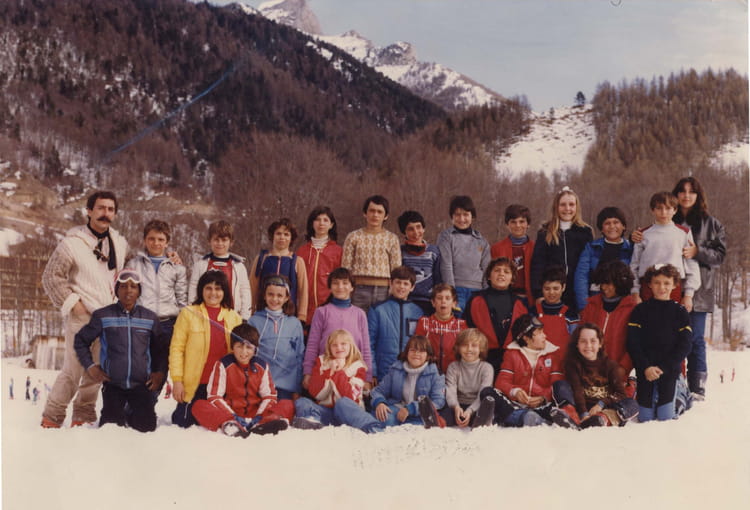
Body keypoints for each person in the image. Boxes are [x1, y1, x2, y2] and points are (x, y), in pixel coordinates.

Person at [41, 190, 128, 428]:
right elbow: (51, 277)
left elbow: (125, 274)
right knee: (73, 370)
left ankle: (83, 415)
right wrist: (74, 305)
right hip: (82, 317)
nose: (105, 213)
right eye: (100, 208)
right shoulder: (72, 243)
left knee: (95, 372)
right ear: (89, 211)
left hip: (107, 318)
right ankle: (52, 416)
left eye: (110, 209)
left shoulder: (119, 244)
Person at [73, 269, 167, 432]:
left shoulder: (150, 318)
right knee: (110, 430)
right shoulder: (103, 315)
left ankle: (132, 412)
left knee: (146, 429)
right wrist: (91, 367)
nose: (128, 290)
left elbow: (161, 349)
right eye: (123, 286)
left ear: (139, 291)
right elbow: (80, 341)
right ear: (116, 290)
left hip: (141, 385)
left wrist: (159, 372)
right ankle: (119, 412)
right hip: (113, 385)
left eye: (133, 286)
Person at [671, 176, 726, 399]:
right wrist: (635, 236)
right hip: (669, 288)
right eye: (682, 191)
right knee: (670, 338)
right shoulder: (667, 217)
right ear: (676, 194)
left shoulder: (712, 224)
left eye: (691, 191)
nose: (686, 196)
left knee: (694, 339)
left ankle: (697, 387)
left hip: (699, 291)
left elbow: (720, 255)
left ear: (698, 195)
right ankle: (673, 383)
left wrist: (697, 252)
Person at [476, 315, 579, 429]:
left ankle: (568, 418)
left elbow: (556, 384)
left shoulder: (552, 355)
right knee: (487, 392)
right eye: (539, 333)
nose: (545, 336)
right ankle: (527, 417)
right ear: (526, 337)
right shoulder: (512, 354)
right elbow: (501, 382)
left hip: (544, 406)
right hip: (515, 405)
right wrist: (516, 392)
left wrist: (543, 397)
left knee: (562, 386)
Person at [191, 324, 294, 437]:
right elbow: (214, 396)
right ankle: (230, 425)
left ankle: (262, 425)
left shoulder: (262, 366)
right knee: (198, 405)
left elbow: (269, 396)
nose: (244, 352)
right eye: (239, 346)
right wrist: (232, 416)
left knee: (287, 404)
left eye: (249, 347)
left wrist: (259, 416)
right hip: (231, 413)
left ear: (255, 349)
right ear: (233, 347)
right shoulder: (223, 364)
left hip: (257, 414)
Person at [170, 270, 243, 427]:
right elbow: (177, 349)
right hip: (195, 384)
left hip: (221, 386)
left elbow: (240, 354)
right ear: (201, 290)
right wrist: (177, 381)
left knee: (214, 419)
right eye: (208, 288)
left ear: (225, 291)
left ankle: (227, 422)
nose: (213, 293)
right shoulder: (188, 313)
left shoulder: (234, 317)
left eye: (218, 289)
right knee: (184, 422)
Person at [127, 219, 187, 396]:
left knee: (160, 369)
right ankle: (133, 404)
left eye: (161, 239)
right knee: (138, 367)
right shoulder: (134, 264)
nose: (156, 243)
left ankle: (149, 403)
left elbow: (182, 299)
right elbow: (127, 294)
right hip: (141, 323)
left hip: (166, 325)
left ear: (167, 242)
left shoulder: (176, 267)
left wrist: (182, 324)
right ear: (145, 240)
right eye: (151, 239)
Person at [627, 264, 692, 422]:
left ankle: (681, 393)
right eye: (657, 282)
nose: (661, 287)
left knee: (665, 417)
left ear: (674, 285)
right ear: (649, 284)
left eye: (666, 283)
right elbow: (633, 343)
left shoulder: (680, 311)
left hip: (668, 370)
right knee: (645, 418)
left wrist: (664, 367)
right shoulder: (640, 310)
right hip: (645, 371)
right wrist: (645, 367)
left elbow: (685, 345)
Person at [293, 330, 384, 433]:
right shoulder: (322, 362)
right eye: (334, 345)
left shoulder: (358, 367)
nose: (339, 348)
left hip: (349, 414)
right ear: (329, 347)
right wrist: (330, 372)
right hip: (327, 414)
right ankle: (312, 421)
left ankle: (372, 428)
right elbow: (315, 393)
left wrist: (339, 372)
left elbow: (351, 397)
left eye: (343, 344)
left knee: (342, 403)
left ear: (350, 346)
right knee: (302, 401)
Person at [555, 323, 638, 427]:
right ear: (577, 344)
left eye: (593, 341)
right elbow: (577, 391)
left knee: (631, 404)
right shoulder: (572, 365)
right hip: (581, 407)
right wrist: (584, 414)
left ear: (600, 344)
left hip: (603, 409)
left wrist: (601, 404)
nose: (588, 345)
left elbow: (620, 394)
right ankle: (572, 418)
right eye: (583, 341)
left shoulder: (610, 365)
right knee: (560, 385)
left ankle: (602, 419)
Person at [302, 268, 372, 390]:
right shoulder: (321, 312)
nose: (340, 287)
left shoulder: (360, 314)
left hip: (353, 373)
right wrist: (307, 372)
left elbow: (365, 348)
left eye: (345, 283)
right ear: (330, 287)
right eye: (335, 283)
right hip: (326, 371)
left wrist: (368, 377)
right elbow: (312, 345)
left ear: (352, 287)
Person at [629, 191, 700, 310]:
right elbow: (634, 265)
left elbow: (691, 264)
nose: (663, 212)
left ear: (675, 210)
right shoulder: (643, 234)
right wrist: (635, 293)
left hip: (673, 287)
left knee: (672, 321)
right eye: (659, 208)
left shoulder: (683, 233)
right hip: (648, 287)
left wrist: (688, 295)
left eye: (668, 208)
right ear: (652, 210)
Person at [530, 186, 593, 314]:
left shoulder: (585, 232)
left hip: (577, 292)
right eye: (563, 205)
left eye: (571, 205)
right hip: (553, 292)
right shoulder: (545, 232)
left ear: (577, 207)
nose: (567, 209)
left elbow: (589, 265)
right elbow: (537, 264)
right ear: (556, 207)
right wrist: (538, 293)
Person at [464, 257, 527, 374]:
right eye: (497, 270)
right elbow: (468, 329)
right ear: (489, 276)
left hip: (512, 361)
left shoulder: (520, 304)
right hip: (481, 359)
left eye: (506, 272)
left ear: (512, 279)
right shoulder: (476, 300)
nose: (501, 274)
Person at [247, 275, 305, 401]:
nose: (274, 299)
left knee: (282, 411)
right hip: (259, 384)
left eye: (279, 296)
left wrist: (297, 389)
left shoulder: (294, 323)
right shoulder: (254, 321)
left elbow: (299, 357)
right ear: (264, 295)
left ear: (286, 298)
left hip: (285, 387)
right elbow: (247, 355)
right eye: (270, 294)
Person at [341, 195, 402, 313]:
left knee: (380, 322)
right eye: (372, 211)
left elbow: (396, 269)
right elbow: (345, 268)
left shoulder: (392, 238)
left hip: (383, 291)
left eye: (379, 212)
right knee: (357, 322)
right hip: (358, 290)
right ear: (365, 213)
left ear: (386, 216)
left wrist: (393, 291)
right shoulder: (353, 237)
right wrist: (347, 290)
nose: (375, 215)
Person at [370, 335, 446, 428]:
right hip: (398, 408)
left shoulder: (435, 374)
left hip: (421, 413)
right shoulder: (396, 369)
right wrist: (379, 402)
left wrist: (411, 408)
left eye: (421, 351)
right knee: (384, 419)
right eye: (413, 350)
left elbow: (438, 401)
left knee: (416, 429)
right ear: (406, 353)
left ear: (428, 355)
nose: (416, 354)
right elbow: (378, 391)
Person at [580, 260, 638, 380]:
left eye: (608, 284)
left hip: (617, 374)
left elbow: (635, 344)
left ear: (620, 283)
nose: (604, 288)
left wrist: (623, 368)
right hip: (589, 372)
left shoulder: (632, 309)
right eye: (602, 283)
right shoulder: (591, 305)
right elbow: (580, 337)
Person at [367, 266, 423, 383]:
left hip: (410, 371)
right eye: (398, 282)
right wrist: (373, 372)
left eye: (406, 284)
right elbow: (369, 343)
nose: (401, 287)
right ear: (391, 283)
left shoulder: (418, 312)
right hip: (384, 370)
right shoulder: (377, 310)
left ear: (412, 287)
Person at [436, 195, 491, 316]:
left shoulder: (481, 241)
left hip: (477, 291)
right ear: (452, 216)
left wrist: (487, 294)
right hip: (457, 290)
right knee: (457, 322)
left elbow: (487, 270)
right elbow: (446, 266)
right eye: (457, 215)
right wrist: (450, 294)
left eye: (466, 214)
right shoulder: (446, 237)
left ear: (472, 216)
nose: (462, 219)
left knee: (475, 323)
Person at [188, 220, 252, 320]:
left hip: (232, 315)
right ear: (209, 240)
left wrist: (245, 317)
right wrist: (193, 313)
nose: (220, 243)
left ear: (231, 242)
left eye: (224, 240)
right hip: (205, 316)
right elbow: (193, 289)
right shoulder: (200, 264)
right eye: (216, 239)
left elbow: (245, 292)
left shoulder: (239, 266)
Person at [574, 207, 633, 311]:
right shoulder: (591, 248)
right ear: (601, 228)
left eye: (616, 222)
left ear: (623, 226)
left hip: (622, 300)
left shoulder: (631, 249)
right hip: (596, 298)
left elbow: (634, 277)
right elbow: (581, 277)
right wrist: (584, 307)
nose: (612, 226)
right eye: (607, 223)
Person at [250, 218, 309, 322]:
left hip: (288, 314)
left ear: (291, 238)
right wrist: (251, 310)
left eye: (286, 234)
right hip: (263, 312)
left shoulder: (297, 261)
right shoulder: (261, 259)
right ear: (272, 236)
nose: (282, 237)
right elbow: (252, 287)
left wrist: (302, 315)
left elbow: (303, 290)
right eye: (278, 233)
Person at [296, 206, 343, 325]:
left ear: (331, 225)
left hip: (330, 309)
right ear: (312, 223)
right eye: (317, 219)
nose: (321, 223)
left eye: (325, 220)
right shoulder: (302, 251)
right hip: (305, 310)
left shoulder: (338, 251)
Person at [440, 329, 494, 428]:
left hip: (477, 405)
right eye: (465, 345)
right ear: (458, 348)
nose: (469, 349)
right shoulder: (453, 367)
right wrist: (456, 407)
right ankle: (435, 421)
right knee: (445, 415)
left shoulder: (486, 368)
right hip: (458, 405)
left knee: (485, 412)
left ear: (481, 348)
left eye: (474, 345)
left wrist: (470, 411)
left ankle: (479, 423)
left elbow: (483, 394)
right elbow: (450, 391)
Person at [414, 284, 467, 374]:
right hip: (428, 372)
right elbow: (418, 348)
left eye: (448, 298)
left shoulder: (461, 325)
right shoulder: (424, 322)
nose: (443, 301)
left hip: (454, 374)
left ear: (454, 303)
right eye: (439, 298)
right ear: (433, 303)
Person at [397, 210, 441, 314]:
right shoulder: (400, 252)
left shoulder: (434, 251)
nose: (416, 232)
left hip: (429, 302)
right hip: (406, 300)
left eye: (418, 227)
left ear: (423, 228)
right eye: (410, 229)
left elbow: (438, 279)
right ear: (404, 232)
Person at [530, 266, 577, 360]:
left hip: (563, 362)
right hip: (538, 363)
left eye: (556, 288)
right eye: (547, 289)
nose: (551, 293)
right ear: (541, 288)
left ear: (563, 287)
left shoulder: (570, 313)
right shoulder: (533, 312)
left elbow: (575, 341)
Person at [491, 204, 535, 301]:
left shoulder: (535, 248)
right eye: (513, 222)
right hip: (505, 297)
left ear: (528, 224)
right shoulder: (497, 248)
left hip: (530, 297)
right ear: (507, 225)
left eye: (522, 221)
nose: (518, 225)